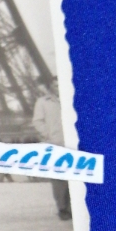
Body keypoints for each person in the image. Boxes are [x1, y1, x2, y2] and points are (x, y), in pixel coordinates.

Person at [32, 77, 72, 220]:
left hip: (73, 143)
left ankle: (72, 207)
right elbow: (37, 121)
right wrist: (48, 137)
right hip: (55, 144)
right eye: (55, 85)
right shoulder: (43, 103)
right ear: (50, 87)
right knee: (59, 179)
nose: (58, 87)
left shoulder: (72, 100)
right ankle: (63, 209)